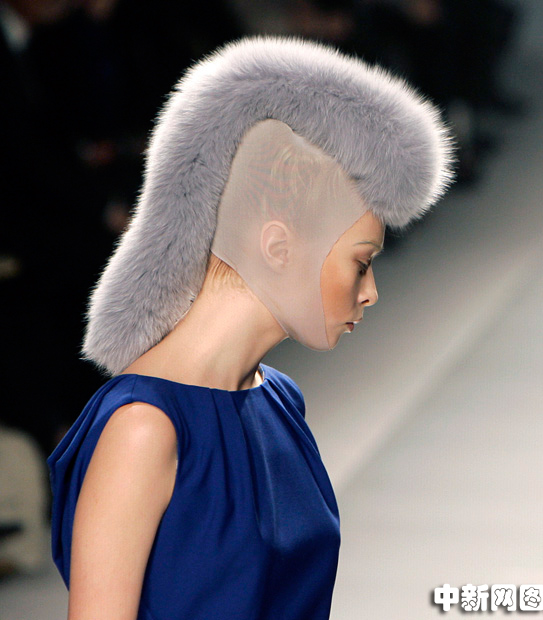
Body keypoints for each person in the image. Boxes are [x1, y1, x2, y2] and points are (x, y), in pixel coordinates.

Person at [47, 36, 454, 619]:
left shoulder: (279, 400)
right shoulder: (143, 429)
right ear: (279, 246)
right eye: (361, 262)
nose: (370, 292)